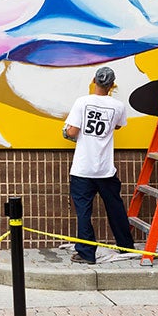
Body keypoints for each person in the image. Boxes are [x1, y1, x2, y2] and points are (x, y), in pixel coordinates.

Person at [62, 66, 134, 264]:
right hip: (105, 168)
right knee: (115, 206)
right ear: (112, 84)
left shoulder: (82, 102)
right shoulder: (117, 106)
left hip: (83, 168)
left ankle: (86, 253)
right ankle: (126, 245)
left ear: (94, 80)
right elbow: (118, 125)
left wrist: (66, 132)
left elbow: (73, 131)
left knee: (84, 210)